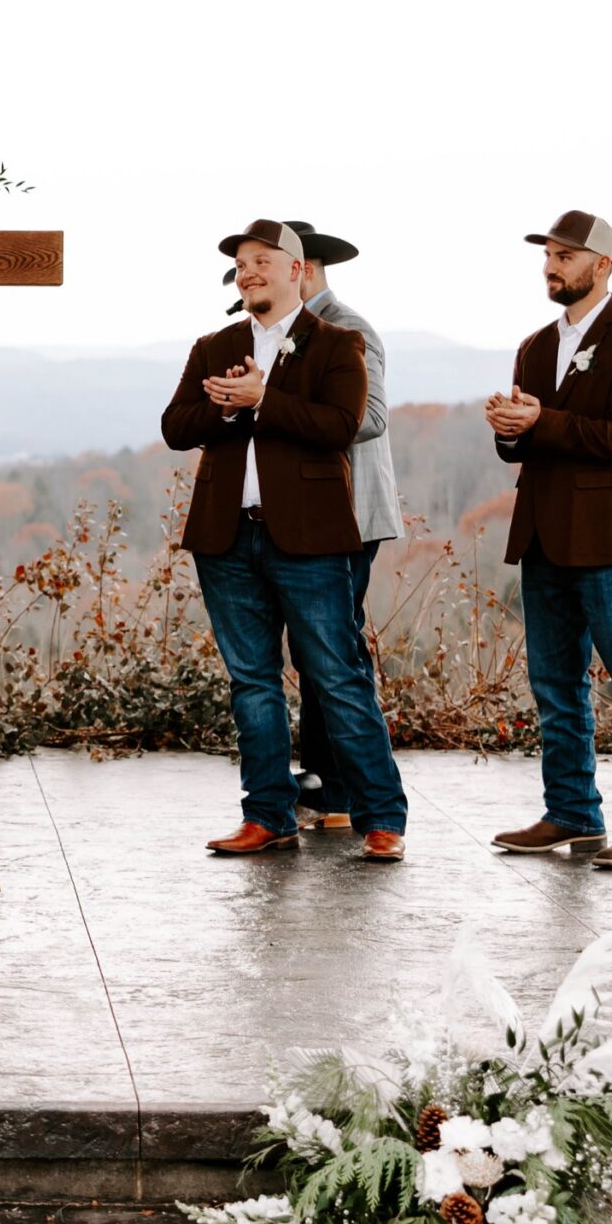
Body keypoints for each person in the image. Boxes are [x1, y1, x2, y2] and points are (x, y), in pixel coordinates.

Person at [162, 219, 408, 863]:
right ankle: (267, 814)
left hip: (312, 540)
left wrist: (264, 399)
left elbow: (343, 425)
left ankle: (381, 817)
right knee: (252, 683)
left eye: (263, 261)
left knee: (338, 677)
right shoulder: (214, 344)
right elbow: (174, 426)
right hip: (227, 539)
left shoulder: (338, 342)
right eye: (241, 263)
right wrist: (225, 407)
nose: (249, 272)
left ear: (298, 270)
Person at [486, 211, 612, 871]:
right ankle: (572, 813)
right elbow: (524, 445)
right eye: (548, 254)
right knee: (556, 687)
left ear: (602, 266)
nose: (551, 265)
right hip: (545, 538)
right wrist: (508, 430)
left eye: (566, 255)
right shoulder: (533, 346)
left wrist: (543, 422)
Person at [278, 224, 405, 831]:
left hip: (350, 513)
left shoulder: (349, 328)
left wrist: (279, 415)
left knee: (335, 654)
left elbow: (372, 418)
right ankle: (328, 785)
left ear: (304, 269)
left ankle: (341, 792)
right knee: (317, 651)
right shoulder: (280, 332)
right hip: (307, 515)